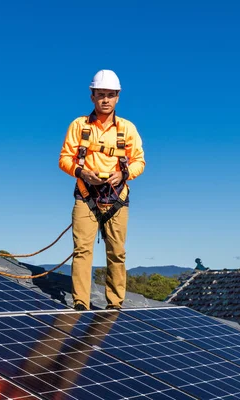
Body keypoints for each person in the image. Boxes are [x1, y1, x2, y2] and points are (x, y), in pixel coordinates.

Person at [59, 69, 145, 311]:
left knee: (117, 252)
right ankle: (80, 303)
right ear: (92, 97)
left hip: (116, 197)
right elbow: (65, 158)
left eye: (110, 95)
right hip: (86, 196)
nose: (105, 100)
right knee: (82, 251)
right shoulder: (79, 126)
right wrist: (81, 172)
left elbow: (139, 160)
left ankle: (115, 304)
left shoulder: (127, 129)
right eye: (100, 94)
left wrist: (124, 174)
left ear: (118, 97)